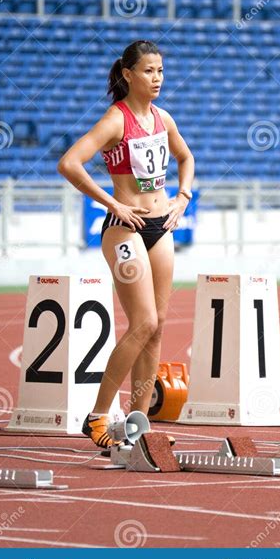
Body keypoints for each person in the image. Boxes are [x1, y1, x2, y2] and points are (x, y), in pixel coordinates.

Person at [57, 40, 194, 449]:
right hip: (124, 228)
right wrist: (112, 201)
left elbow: (186, 158)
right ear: (128, 74)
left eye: (161, 71)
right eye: (149, 71)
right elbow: (69, 162)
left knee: (158, 328)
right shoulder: (116, 120)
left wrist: (182, 198)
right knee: (145, 322)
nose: (157, 79)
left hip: (159, 228)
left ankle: (137, 423)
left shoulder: (163, 118)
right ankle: (98, 416)